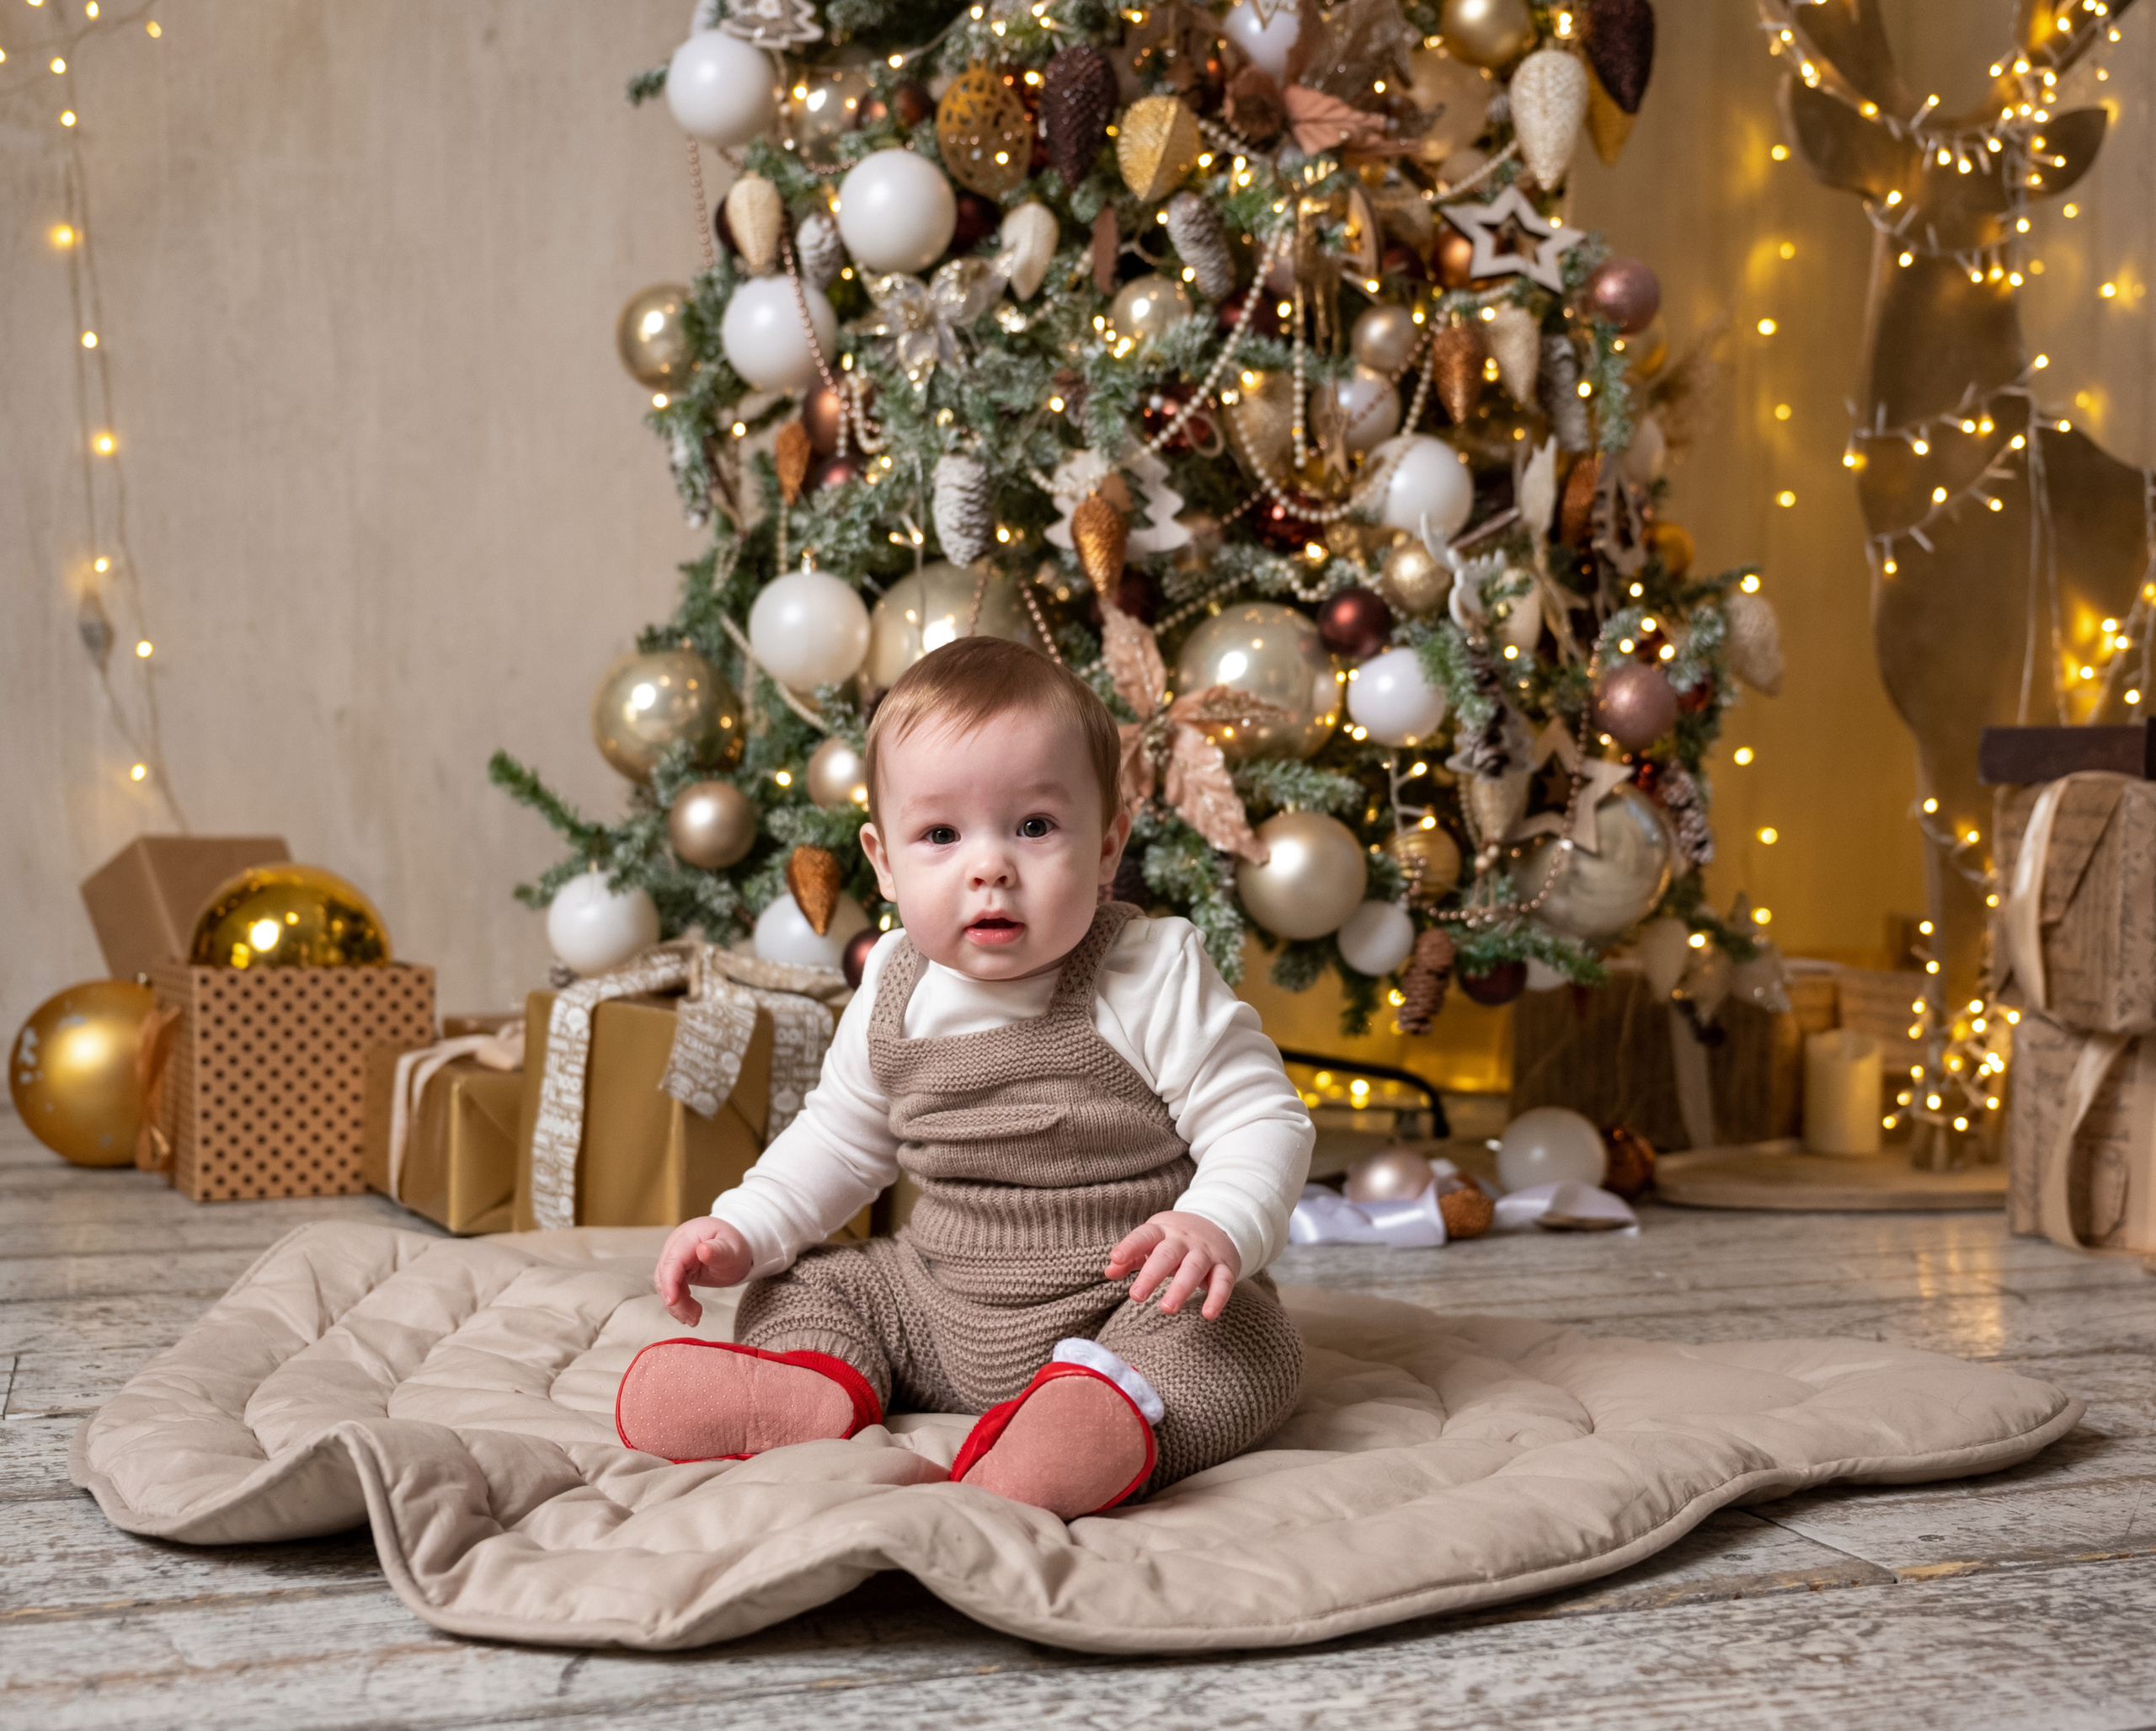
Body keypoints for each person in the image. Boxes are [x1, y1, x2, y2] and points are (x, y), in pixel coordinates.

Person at [619, 635, 1311, 1519]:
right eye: (940, 835)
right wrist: (744, 1227)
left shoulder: (1147, 971)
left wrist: (1215, 1224)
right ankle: (808, 1384)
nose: (989, 866)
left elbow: (1261, 1119)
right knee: (804, 1283)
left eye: (1033, 827)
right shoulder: (893, 986)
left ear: (1106, 847)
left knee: (1237, 1338)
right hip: (938, 1305)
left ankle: (1098, 1417)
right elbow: (838, 1137)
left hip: (1126, 1300)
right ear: (882, 861)